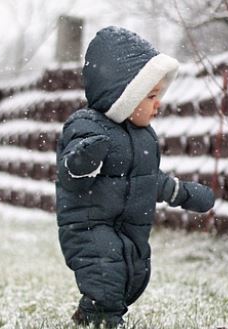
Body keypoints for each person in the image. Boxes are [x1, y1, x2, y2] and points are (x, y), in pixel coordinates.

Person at [55, 26, 215, 328]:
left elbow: (147, 179)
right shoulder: (86, 126)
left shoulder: (143, 137)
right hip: (89, 224)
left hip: (128, 226)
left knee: (133, 273)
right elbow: (71, 175)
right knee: (106, 273)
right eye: (151, 95)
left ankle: (91, 314)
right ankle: (104, 319)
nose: (159, 103)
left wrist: (182, 192)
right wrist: (85, 157)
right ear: (124, 96)